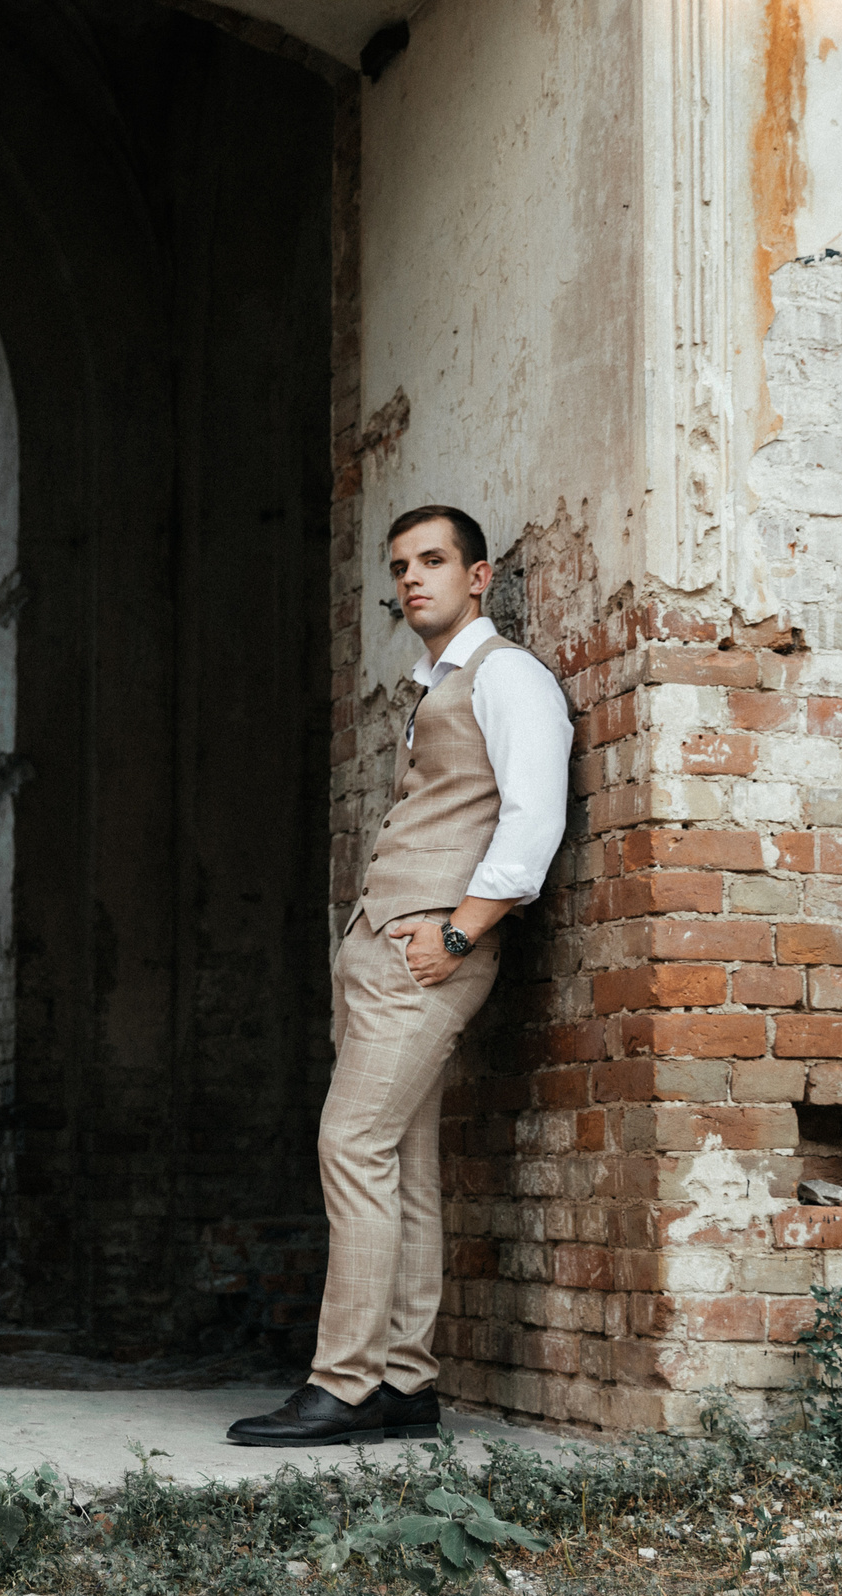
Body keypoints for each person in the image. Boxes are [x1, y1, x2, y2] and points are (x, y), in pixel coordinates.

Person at [228, 505, 570, 1447]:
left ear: (480, 576)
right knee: (404, 1162)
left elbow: (532, 820)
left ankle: (342, 1383)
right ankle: (406, 1382)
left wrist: (459, 936)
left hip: (430, 952)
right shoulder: (434, 685)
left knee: (351, 1142)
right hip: (383, 951)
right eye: (401, 566)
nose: (413, 578)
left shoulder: (510, 679)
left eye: (433, 560)